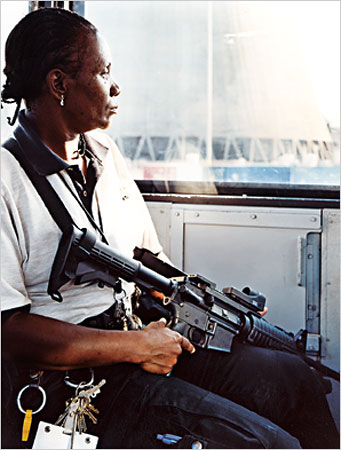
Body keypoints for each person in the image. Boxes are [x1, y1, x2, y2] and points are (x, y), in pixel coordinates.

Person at [1, 7, 339, 450]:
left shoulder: (103, 153)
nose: (116, 86)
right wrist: (135, 347)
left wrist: (205, 301)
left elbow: (143, 258)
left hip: (140, 335)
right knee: (267, 444)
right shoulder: (7, 179)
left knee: (295, 379)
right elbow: (9, 332)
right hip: (73, 381)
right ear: (59, 83)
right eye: (103, 72)